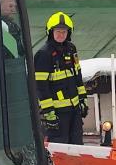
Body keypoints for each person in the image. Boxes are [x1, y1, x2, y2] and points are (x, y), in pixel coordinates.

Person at [36, 10, 87, 145]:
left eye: (64, 31)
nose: (61, 34)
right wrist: (49, 113)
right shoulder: (43, 54)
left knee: (77, 146)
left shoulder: (71, 49)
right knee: (60, 149)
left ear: (69, 33)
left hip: (74, 110)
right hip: (58, 113)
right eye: (57, 31)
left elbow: (77, 75)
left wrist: (83, 99)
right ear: (50, 32)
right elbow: (41, 86)